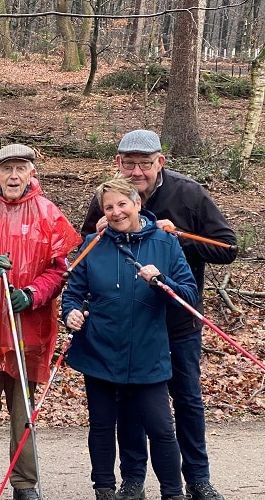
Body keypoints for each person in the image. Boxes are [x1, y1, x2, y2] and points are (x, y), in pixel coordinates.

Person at [81, 130, 237, 500]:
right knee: (130, 404)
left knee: (186, 400)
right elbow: (86, 247)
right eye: (128, 163)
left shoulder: (189, 193)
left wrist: (176, 237)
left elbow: (228, 248)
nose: (137, 171)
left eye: (145, 163)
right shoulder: (107, 197)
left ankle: (197, 478)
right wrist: (100, 231)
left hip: (176, 323)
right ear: (117, 163)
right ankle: (133, 479)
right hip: (127, 327)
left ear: (159, 163)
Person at [63, 176, 199, 500]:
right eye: (108, 207)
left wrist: (162, 281)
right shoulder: (93, 244)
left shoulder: (164, 243)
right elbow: (73, 293)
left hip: (147, 352)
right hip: (100, 350)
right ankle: (105, 489)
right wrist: (71, 313)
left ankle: (173, 492)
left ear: (138, 204)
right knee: (101, 425)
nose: (116, 212)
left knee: (162, 428)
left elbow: (188, 294)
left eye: (122, 204)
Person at [0, 144, 82, 500]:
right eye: (7, 169)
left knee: (23, 412)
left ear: (31, 173)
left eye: (20, 169)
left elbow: (59, 270)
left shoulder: (49, 214)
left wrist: (32, 294)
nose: (13, 176)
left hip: (28, 331)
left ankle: (24, 483)